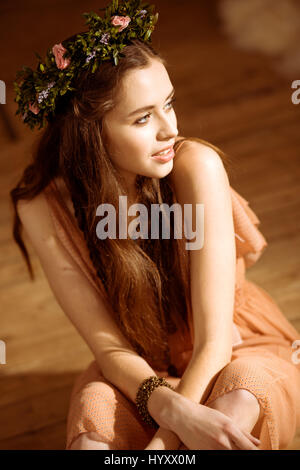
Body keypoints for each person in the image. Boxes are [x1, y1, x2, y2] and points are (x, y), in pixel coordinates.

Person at [11, 0, 300, 451]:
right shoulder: (43, 207)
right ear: (92, 132)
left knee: (236, 405)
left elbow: (214, 342)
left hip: (233, 345)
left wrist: (164, 444)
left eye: (169, 104)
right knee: (93, 429)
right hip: (135, 368)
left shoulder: (194, 165)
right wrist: (173, 411)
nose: (170, 129)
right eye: (143, 118)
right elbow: (109, 350)